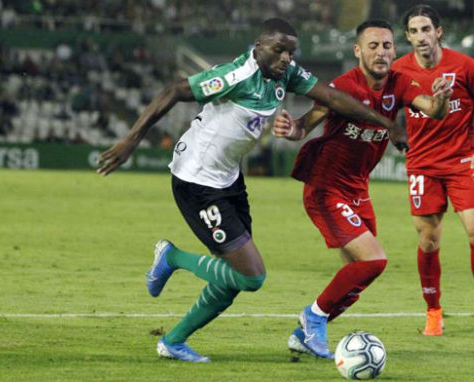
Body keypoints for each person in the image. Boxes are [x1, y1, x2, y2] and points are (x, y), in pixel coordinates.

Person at [96, 18, 409, 363]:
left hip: (229, 180)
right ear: (258, 47)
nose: (286, 58)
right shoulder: (236, 76)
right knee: (252, 275)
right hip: (197, 181)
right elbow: (174, 90)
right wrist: (131, 140)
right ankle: (171, 257)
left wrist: (388, 123)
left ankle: (173, 341)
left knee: (234, 278)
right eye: (278, 50)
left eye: (291, 51)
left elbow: (334, 97)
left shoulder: (285, 72)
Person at [273, 19, 452, 359]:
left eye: (387, 46)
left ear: (395, 50)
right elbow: (304, 126)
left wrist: (440, 100)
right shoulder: (343, 85)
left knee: (355, 281)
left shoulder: (400, 83)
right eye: (373, 46)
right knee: (374, 260)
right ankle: (314, 316)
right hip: (326, 189)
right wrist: (290, 128)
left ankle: (304, 334)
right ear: (357, 50)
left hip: (358, 191)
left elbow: (432, 110)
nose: (381, 52)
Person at [392, 4, 474, 338]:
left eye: (426, 29)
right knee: (428, 241)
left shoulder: (464, 66)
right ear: (408, 36)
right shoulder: (399, 71)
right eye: (414, 31)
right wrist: (394, 131)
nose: (420, 37)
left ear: (438, 32)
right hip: (422, 166)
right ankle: (433, 312)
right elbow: (383, 107)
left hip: (462, 162)